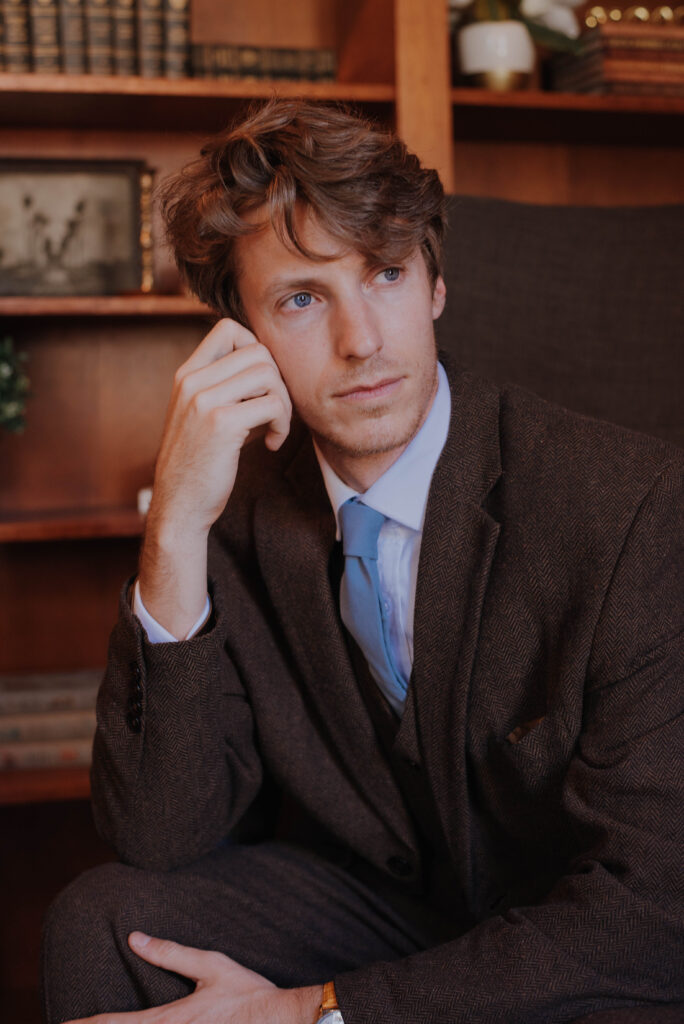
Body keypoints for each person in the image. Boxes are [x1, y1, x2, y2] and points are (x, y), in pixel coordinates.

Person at [42, 99, 683, 1024]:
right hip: (394, 907)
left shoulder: (635, 508)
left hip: (570, 935)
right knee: (107, 920)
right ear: (242, 333)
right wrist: (175, 524)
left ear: (435, 286)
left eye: (384, 274)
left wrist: (318, 1012)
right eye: (302, 298)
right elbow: (160, 830)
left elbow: (655, 909)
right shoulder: (234, 500)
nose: (361, 342)